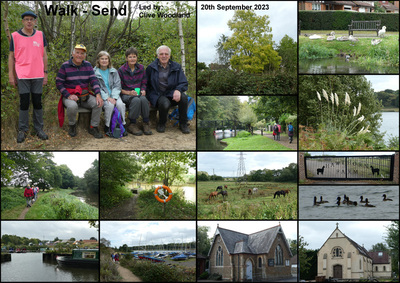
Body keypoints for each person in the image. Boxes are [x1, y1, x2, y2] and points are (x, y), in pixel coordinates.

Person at [8, 11, 49, 143]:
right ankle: (23, 130)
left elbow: (44, 55)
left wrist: (46, 73)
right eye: (26, 19)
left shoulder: (40, 35)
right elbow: (11, 57)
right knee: (24, 102)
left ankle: (39, 129)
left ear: (35, 21)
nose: (29, 22)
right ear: (23, 21)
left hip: (38, 74)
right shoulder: (15, 36)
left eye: (32, 19)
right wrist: (11, 75)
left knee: (37, 102)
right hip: (22, 74)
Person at [56, 44, 104, 138]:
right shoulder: (65, 66)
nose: (79, 55)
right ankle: (72, 126)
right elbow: (59, 83)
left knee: (98, 103)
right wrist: (68, 95)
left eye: (82, 53)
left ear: (85, 56)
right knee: (72, 106)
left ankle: (93, 127)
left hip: (84, 95)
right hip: (70, 95)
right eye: (77, 52)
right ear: (73, 53)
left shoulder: (88, 65)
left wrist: (98, 94)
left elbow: (94, 80)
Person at [146, 45, 190, 134]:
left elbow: (183, 82)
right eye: (161, 54)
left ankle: (183, 124)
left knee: (184, 98)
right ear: (157, 56)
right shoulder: (151, 67)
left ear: (169, 55)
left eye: (166, 54)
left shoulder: (176, 67)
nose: (164, 56)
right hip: (157, 94)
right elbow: (146, 84)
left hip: (172, 93)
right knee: (165, 103)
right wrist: (148, 97)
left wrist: (178, 90)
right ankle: (161, 123)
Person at [118, 47, 152, 136]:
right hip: (126, 94)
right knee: (136, 100)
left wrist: (143, 89)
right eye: (130, 57)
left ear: (137, 58)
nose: (132, 59)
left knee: (144, 99)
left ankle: (146, 123)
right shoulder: (121, 70)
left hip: (138, 92)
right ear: (126, 58)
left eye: (134, 56)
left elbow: (144, 82)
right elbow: (118, 87)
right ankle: (132, 124)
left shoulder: (141, 68)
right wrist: (129, 93)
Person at [94, 51, 127, 137]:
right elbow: (97, 87)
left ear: (109, 61)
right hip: (103, 95)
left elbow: (117, 85)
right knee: (109, 105)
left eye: (106, 59)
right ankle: (107, 126)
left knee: (121, 105)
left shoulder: (113, 71)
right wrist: (107, 97)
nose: (104, 61)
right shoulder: (95, 72)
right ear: (98, 60)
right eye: (102, 59)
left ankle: (122, 125)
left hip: (114, 94)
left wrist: (114, 97)